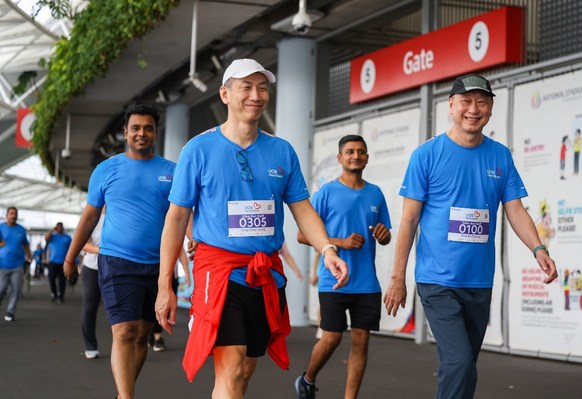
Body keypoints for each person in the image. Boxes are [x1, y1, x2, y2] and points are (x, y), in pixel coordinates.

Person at [155, 58, 349, 399]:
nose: (256, 95)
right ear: (225, 94)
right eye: (246, 87)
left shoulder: (281, 151)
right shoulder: (198, 150)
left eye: (262, 88)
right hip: (219, 272)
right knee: (230, 366)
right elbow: (175, 218)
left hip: (263, 274)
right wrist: (164, 285)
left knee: (246, 368)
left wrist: (327, 249)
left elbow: (302, 209)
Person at [383, 74, 558, 399]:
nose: (473, 109)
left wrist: (538, 249)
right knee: (460, 363)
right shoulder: (427, 155)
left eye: (482, 102)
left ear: (490, 109)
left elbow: (515, 210)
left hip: (479, 282)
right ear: (451, 105)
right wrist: (397, 277)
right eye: (466, 101)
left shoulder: (500, 155)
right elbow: (408, 220)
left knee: (462, 366)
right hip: (438, 282)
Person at [63, 104, 176, 399]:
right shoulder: (106, 169)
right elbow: (89, 217)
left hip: (157, 266)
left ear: (155, 133)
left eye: (148, 128)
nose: (142, 133)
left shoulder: (171, 171)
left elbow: (180, 215)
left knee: (141, 337)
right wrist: (70, 256)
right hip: (116, 261)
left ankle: (123, 392)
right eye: (135, 128)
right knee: (124, 332)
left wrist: (194, 239)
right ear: (125, 133)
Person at [295, 135, 392, 399]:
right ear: (340, 158)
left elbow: (385, 234)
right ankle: (307, 379)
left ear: (367, 158)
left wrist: (384, 235)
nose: (355, 156)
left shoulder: (375, 193)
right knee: (332, 338)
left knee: (361, 340)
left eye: (361, 152)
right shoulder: (326, 192)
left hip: (367, 282)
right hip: (334, 280)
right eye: (349, 152)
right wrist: (341, 242)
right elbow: (303, 235)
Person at [148, 249, 190, 352]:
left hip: (172, 276)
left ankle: (155, 335)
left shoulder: (173, 233)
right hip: (151, 274)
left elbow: (181, 252)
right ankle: (156, 336)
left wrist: (187, 274)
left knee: (165, 307)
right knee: (152, 305)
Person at [80, 208, 105, 359]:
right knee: (90, 308)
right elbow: (83, 242)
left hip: (116, 268)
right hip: (92, 268)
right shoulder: (92, 216)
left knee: (120, 310)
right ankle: (90, 346)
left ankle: (126, 344)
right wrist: (104, 250)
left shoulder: (121, 212)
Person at [0, 207, 32, 321]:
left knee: (16, 289)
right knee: (1, 288)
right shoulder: (1, 228)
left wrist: (29, 256)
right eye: (11, 213)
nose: (13, 215)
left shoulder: (21, 230)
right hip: (2, 264)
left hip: (18, 265)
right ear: (7, 215)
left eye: (15, 214)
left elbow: (25, 245)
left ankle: (10, 312)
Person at [44, 222, 71, 304]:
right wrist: (52, 230)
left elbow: (71, 249)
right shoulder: (52, 236)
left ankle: (60, 296)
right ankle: (54, 293)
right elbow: (46, 238)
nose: (59, 228)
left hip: (63, 262)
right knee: (51, 278)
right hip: (53, 262)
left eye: (61, 227)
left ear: (63, 228)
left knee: (62, 280)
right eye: (57, 227)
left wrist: (71, 261)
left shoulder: (67, 237)